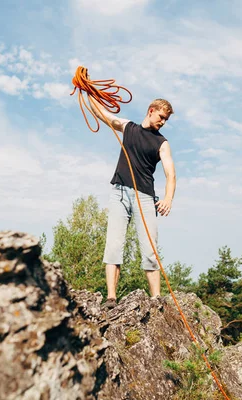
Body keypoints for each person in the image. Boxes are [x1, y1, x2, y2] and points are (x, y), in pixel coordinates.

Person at [89, 97, 176, 309]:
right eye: (161, 117)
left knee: (149, 250)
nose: (163, 122)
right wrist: (87, 90)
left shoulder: (162, 143)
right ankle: (111, 298)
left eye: (166, 119)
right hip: (119, 193)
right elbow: (103, 115)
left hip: (144, 198)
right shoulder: (128, 127)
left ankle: (156, 300)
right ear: (151, 111)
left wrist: (167, 199)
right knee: (113, 246)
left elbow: (170, 174)